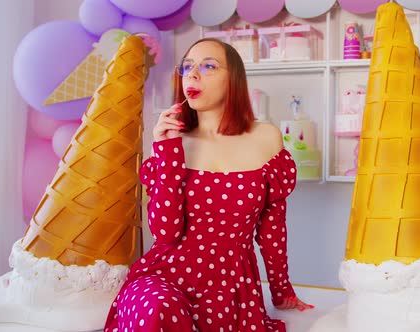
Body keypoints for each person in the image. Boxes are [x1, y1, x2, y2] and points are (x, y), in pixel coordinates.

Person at [104, 38, 312, 332]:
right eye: (187, 67)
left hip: (229, 289)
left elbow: (272, 228)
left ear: (234, 79)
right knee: (155, 308)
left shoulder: (266, 138)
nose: (193, 74)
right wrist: (167, 150)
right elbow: (165, 233)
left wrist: (282, 291)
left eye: (208, 66)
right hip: (164, 278)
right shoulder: (172, 142)